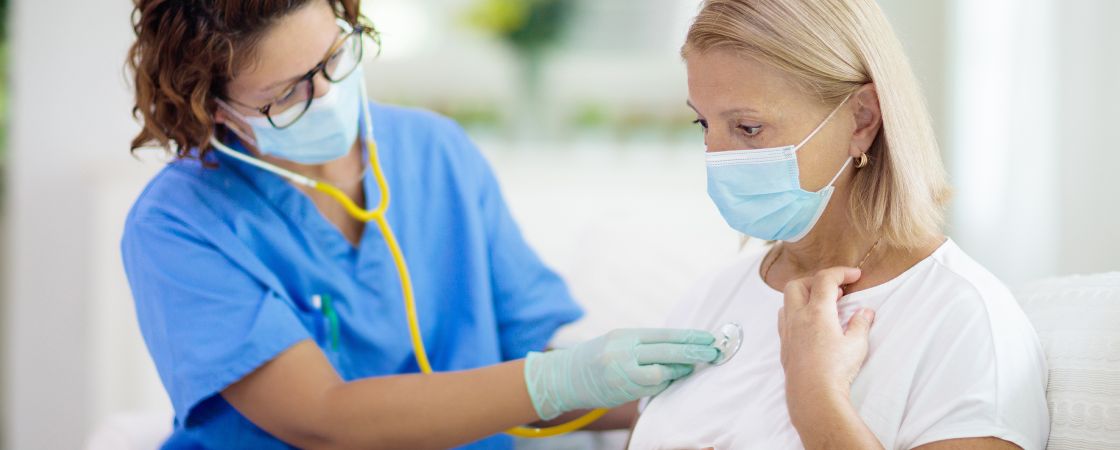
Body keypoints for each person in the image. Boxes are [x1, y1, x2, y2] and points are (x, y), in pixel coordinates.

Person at [121, 1, 718, 448]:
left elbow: (525, 362)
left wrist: (674, 396)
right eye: (286, 94)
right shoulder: (178, 225)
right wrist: (560, 379)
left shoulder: (434, 150)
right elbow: (324, 420)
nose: (327, 93)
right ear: (211, 104)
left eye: (333, 57)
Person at [627, 0, 1050, 449]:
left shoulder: (964, 320)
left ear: (862, 118)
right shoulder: (713, 295)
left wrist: (816, 401)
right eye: (703, 123)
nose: (717, 157)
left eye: (748, 128)